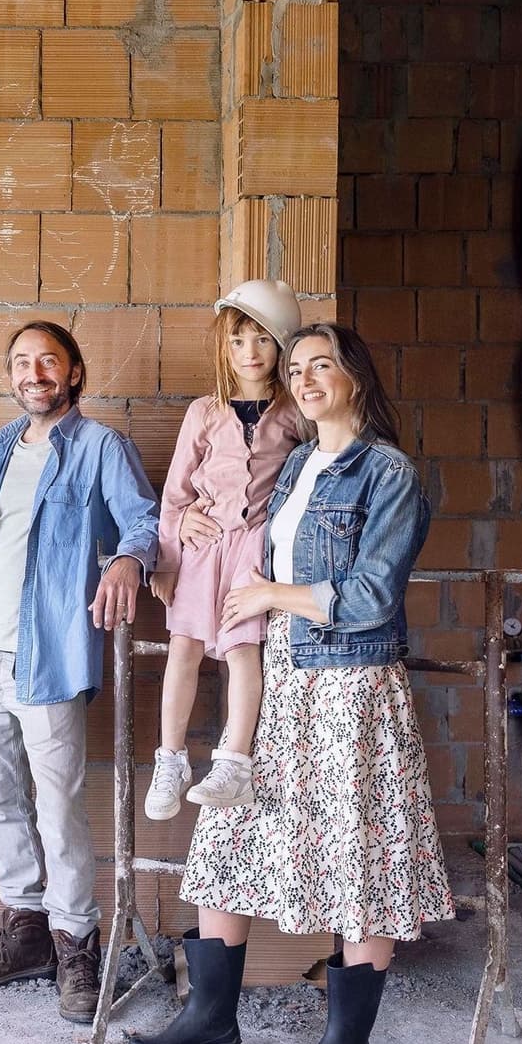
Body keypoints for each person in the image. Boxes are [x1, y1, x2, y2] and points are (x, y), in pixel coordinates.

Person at [129, 323, 453, 1044]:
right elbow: (225, 507)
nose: (304, 380)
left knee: (358, 856)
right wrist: (190, 520)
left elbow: (373, 593)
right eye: (297, 368)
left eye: (321, 367)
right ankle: (211, 1018)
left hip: (352, 688)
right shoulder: (300, 459)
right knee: (229, 838)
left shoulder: (389, 472)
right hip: (286, 678)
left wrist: (274, 591)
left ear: (357, 378)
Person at [0, 321, 161, 1023]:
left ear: (75, 373)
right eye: (22, 363)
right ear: (12, 377)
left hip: (48, 654)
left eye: (48, 361)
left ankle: (75, 943)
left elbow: (142, 520)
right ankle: (26, 931)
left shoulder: (100, 447)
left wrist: (126, 558)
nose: (35, 373)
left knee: (59, 808)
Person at [145, 280, 305, 819]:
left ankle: (234, 762)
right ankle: (171, 760)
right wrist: (167, 558)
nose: (250, 352)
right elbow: (176, 491)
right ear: (225, 346)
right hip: (203, 544)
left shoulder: (292, 414)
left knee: (242, 651)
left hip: (255, 549)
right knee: (184, 649)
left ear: (280, 347)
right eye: (239, 341)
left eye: (262, 340)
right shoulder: (204, 411)